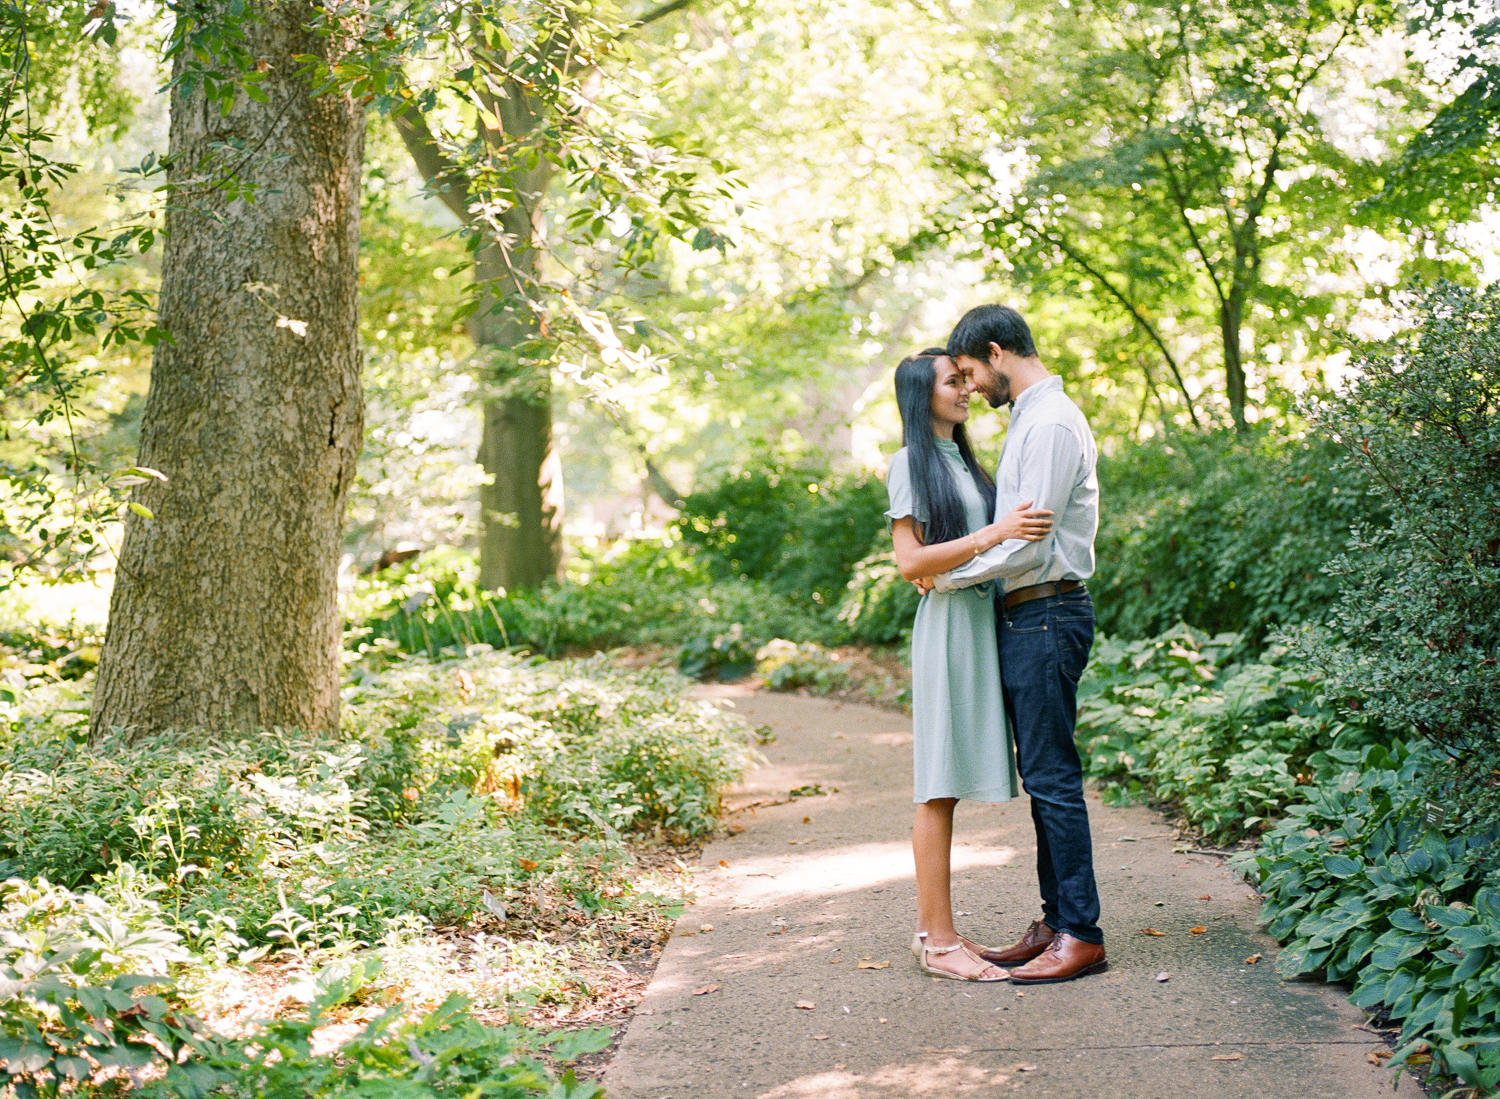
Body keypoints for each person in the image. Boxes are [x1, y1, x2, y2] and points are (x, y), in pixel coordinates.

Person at [926, 304, 1106, 985]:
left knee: (1054, 777)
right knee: (1043, 776)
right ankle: (1056, 919)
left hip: (1047, 611)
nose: (970, 387)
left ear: (996, 352)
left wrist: (948, 575)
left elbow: (1029, 545)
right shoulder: (1030, 418)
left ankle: (1081, 932)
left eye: (971, 372)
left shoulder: (1054, 421)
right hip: (1027, 617)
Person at [884, 347, 1054, 982]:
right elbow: (909, 562)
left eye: (963, 378)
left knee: (953, 777)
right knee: (938, 784)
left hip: (984, 621)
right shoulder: (908, 464)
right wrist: (994, 533)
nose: (964, 389)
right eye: (951, 382)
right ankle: (936, 939)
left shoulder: (970, 463)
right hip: (950, 630)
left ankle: (946, 934)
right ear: (919, 396)